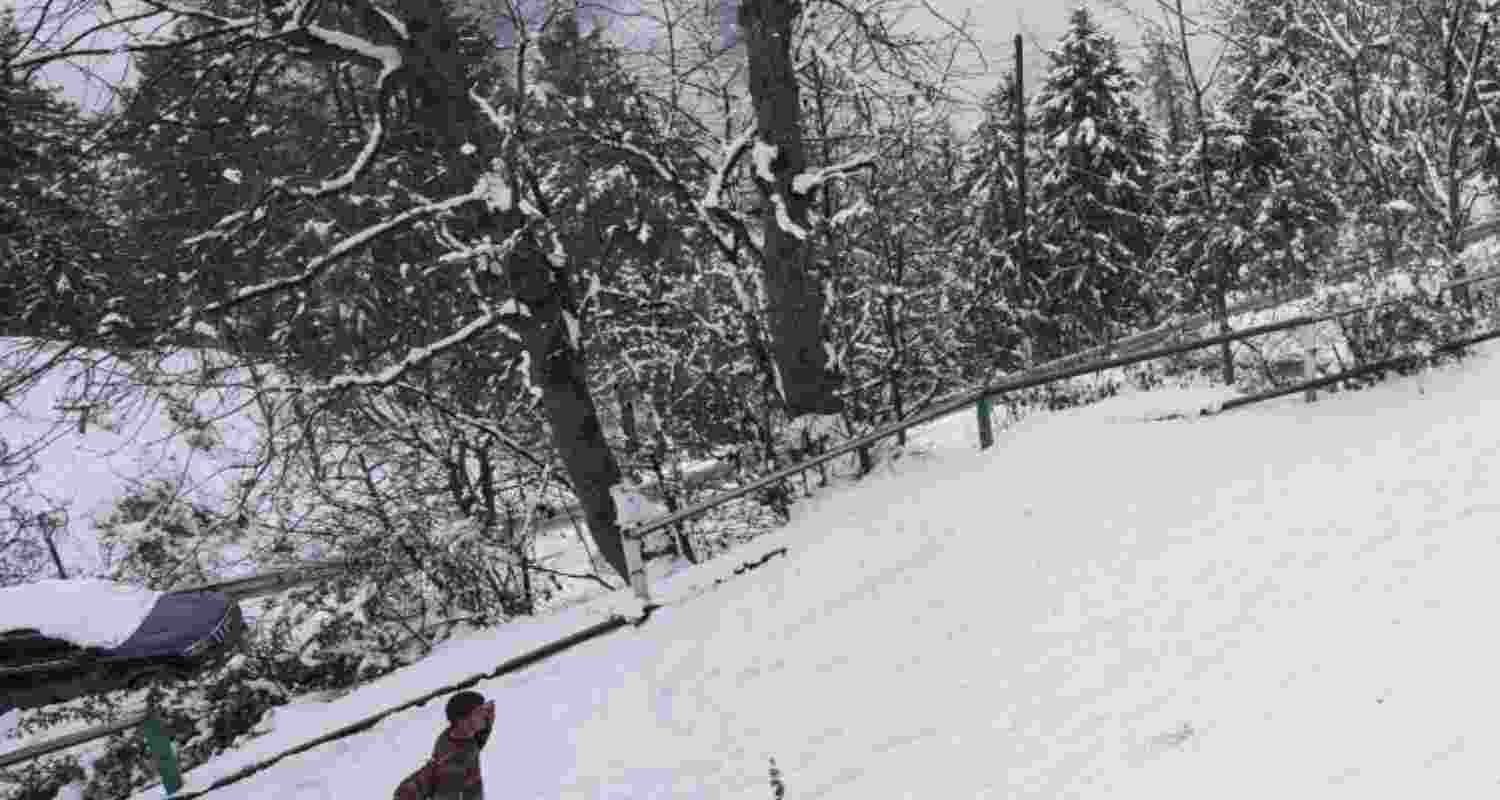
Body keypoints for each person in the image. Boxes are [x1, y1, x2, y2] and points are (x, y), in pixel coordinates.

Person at [394, 690, 495, 800]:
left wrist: (488, 713)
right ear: (463, 720)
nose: (483, 716)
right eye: (478, 712)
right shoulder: (453, 762)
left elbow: (480, 737)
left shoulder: (463, 736)